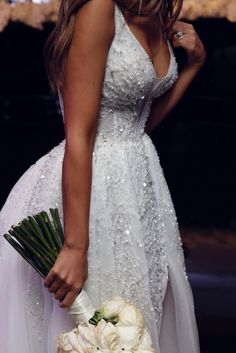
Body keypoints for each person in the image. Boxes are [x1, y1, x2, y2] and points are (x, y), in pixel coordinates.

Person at [0, 0, 206, 352]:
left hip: (142, 186)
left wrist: (193, 65)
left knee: (139, 316)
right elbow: (79, 133)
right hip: (90, 189)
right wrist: (75, 247)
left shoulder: (155, 12)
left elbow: (137, 124)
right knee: (93, 326)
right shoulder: (98, 8)